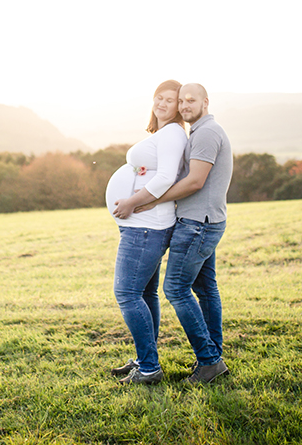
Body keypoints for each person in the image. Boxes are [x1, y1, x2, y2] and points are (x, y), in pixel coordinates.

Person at [114, 83, 233, 384]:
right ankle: (210, 357)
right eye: (181, 101)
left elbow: (193, 182)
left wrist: (145, 200)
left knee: (176, 290)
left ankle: (209, 360)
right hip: (201, 220)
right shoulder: (198, 132)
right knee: (205, 289)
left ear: (206, 101)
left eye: (188, 100)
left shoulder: (205, 133)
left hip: (197, 223)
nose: (183, 106)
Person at [103, 80, 188, 385]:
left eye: (170, 99)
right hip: (145, 226)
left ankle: (149, 368)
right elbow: (156, 171)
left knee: (126, 294)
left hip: (145, 227)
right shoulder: (164, 134)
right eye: (159, 98)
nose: (163, 103)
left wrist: (131, 202)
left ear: (180, 106)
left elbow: (166, 176)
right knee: (144, 293)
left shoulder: (173, 134)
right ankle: (144, 359)